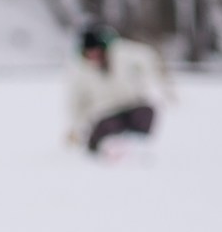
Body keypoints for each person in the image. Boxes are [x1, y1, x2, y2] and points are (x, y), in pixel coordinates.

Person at [65, 24, 165, 154]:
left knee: (146, 112)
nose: (94, 55)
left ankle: (136, 146)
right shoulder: (81, 72)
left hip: (131, 107)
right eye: (89, 53)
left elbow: (148, 56)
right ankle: (105, 148)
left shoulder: (122, 54)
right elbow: (76, 103)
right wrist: (75, 129)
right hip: (104, 115)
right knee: (109, 125)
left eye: (97, 51)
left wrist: (154, 81)